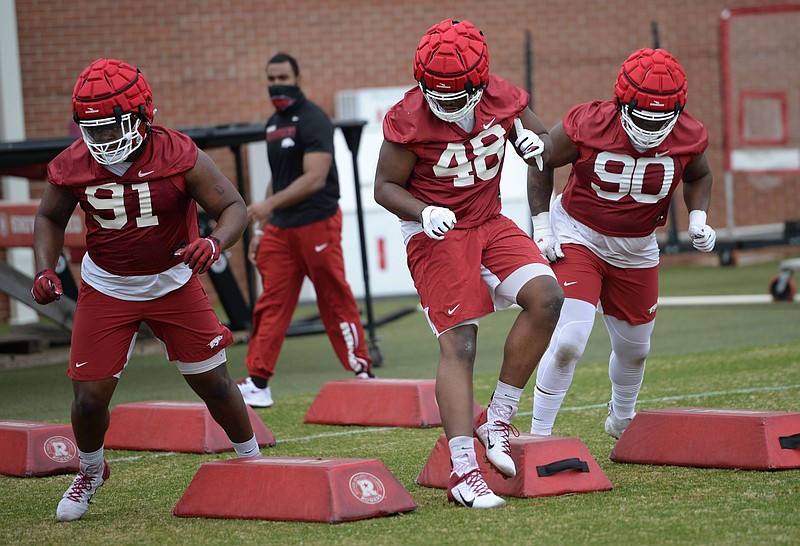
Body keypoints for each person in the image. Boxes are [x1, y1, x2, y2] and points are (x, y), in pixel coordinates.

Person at [32, 58, 260, 522]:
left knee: (214, 381)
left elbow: (234, 206)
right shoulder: (72, 163)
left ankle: (253, 460)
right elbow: (49, 217)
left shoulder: (178, 153)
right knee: (89, 396)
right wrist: (45, 267)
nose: (100, 140)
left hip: (172, 280)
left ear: (141, 116)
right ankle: (92, 470)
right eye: (90, 129)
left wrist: (214, 241)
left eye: (110, 126)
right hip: (108, 285)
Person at [374, 19, 564, 509]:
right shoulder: (407, 118)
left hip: (488, 220)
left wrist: (533, 145)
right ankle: (463, 469)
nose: (447, 104)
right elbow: (384, 188)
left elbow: (542, 137)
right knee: (461, 340)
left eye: (458, 93)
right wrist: (423, 210)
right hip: (434, 230)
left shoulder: (503, 97)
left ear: (480, 82)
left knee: (547, 297)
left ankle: (497, 417)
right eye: (436, 93)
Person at [527, 48, 717, 439]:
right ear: (621, 103)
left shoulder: (689, 134)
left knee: (636, 349)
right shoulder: (588, 122)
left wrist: (698, 217)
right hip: (578, 234)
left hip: (637, 246)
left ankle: (621, 419)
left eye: (661, 119)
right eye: (643, 117)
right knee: (569, 341)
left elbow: (699, 174)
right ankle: (538, 435)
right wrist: (542, 225)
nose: (650, 128)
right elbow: (542, 160)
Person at [237, 53, 373, 409]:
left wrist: (268, 206)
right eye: (270, 78)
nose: (276, 84)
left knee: (334, 297)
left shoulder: (314, 119)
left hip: (317, 222)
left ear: (297, 77)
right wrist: (260, 228)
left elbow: (314, 177)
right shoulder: (271, 123)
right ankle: (258, 382)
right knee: (271, 304)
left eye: (282, 76)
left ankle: (362, 371)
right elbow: (277, 180)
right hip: (280, 229)